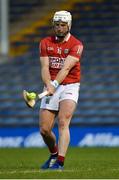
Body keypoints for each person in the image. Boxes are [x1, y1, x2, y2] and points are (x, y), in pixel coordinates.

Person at [25, 10, 83, 170]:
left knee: (63, 122)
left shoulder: (76, 45)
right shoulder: (45, 42)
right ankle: (54, 154)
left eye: (63, 25)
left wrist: (54, 85)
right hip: (50, 84)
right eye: (56, 25)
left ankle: (60, 162)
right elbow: (44, 67)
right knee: (44, 130)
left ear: (69, 26)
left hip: (70, 86)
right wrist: (48, 84)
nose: (59, 28)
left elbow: (65, 68)